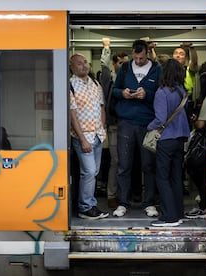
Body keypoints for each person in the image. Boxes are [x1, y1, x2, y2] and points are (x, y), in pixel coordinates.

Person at [112, 39, 162, 218]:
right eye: (136, 57)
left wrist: (147, 95)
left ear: (148, 53)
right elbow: (114, 91)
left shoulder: (157, 69)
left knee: (149, 165)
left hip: (148, 124)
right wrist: (123, 93)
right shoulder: (124, 68)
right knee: (124, 165)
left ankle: (149, 203)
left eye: (142, 58)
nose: (139, 61)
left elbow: (161, 93)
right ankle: (122, 203)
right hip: (126, 122)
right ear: (133, 53)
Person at [147, 58, 190, 227]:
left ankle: (169, 216)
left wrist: (148, 127)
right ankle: (178, 213)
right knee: (176, 177)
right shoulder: (182, 91)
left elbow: (160, 119)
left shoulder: (162, 92)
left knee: (162, 177)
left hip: (166, 139)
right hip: (180, 138)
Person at [69, 53, 109, 220]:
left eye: (85, 62)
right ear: (72, 67)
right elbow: (72, 115)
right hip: (83, 137)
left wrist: (103, 129)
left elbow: (101, 107)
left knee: (94, 172)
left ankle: (90, 204)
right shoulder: (70, 85)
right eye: (79, 63)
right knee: (89, 171)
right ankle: (85, 207)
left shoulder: (95, 83)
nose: (84, 65)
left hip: (97, 135)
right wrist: (82, 138)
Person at [100, 38, 129, 209]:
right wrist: (106, 47)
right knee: (116, 161)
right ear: (114, 64)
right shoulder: (109, 80)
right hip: (114, 125)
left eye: (126, 63)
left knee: (129, 162)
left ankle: (126, 194)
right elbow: (104, 67)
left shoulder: (130, 79)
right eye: (120, 63)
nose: (124, 66)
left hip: (129, 124)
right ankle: (112, 194)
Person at [185, 96, 206, 219]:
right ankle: (205, 205)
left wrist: (193, 120)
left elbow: (201, 123)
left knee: (198, 171)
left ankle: (204, 206)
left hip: (204, 143)